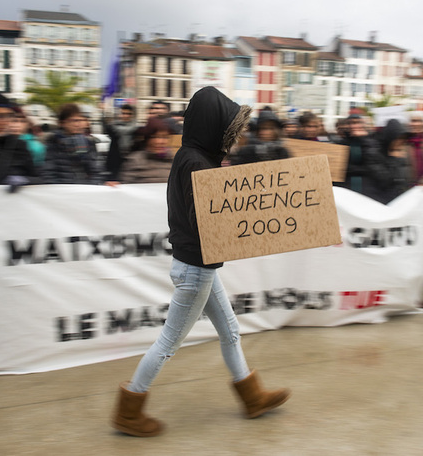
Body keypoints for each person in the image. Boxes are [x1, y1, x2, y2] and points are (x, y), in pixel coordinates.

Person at [112, 86, 290, 437]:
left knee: (230, 331)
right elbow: (207, 220)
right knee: (168, 344)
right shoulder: (196, 162)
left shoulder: (191, 156)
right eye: (230, 129)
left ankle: (252, 396)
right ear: (213, 126)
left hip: (197, 267)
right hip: (196, 270)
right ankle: (129, 410)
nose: (236, 137)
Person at [42, 103, 103, 184]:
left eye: (80, 120)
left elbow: (95, 170)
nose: (77, 124)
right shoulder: (54, 141)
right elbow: (48, 171)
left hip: (83, 189)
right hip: (61, 189)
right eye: (73, 121)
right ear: (62, 123)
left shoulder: (88, 142)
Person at [336, 114, 389, 202]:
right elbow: (340, 168)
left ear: (363, 125)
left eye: (357, 123)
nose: (354, 126)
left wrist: (363, 139)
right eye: (351, 123)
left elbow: (375, 165)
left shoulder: (372, 142)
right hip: (347, 189)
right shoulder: (341, 143)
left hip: (368, 189)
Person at [104, 104, 137, 181]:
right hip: (115, 160)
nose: (126, 116)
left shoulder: (136, 128)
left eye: (128, 114)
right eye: (123, 113)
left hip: (130, 159)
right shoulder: (112, 127)